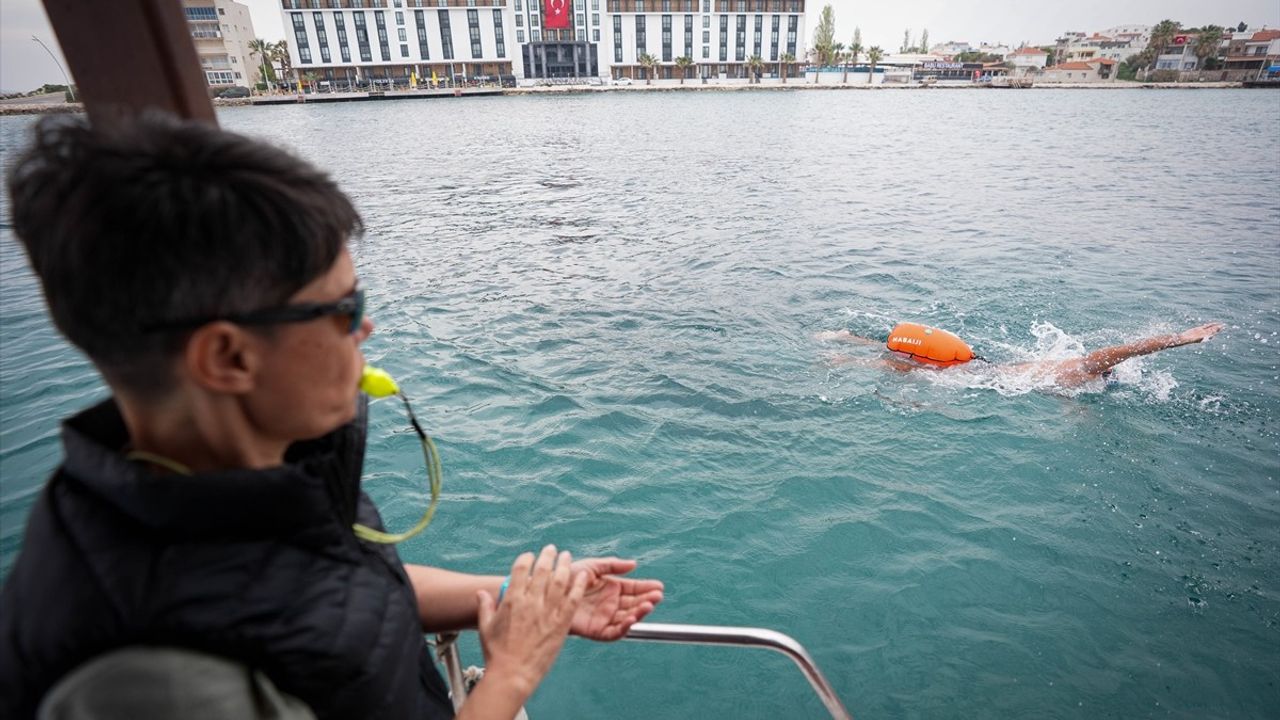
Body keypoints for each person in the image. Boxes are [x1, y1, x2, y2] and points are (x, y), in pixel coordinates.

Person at [0, 113, 663, 720]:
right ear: (227, 357)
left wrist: (534, 605)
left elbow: (341, 592)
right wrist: (512, 674)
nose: (366, 326)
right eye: (342, 309)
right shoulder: (152, 683)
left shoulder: (238, 473)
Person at [816, 321, 1224, 388]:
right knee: (919, 371)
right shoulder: (1079, 370)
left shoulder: (1071, 381)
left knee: (914, 363)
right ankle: (850, 354)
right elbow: (1117, 352)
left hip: (985, 367)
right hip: (988, 377)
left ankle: (850, 340)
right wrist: (1179, 339)